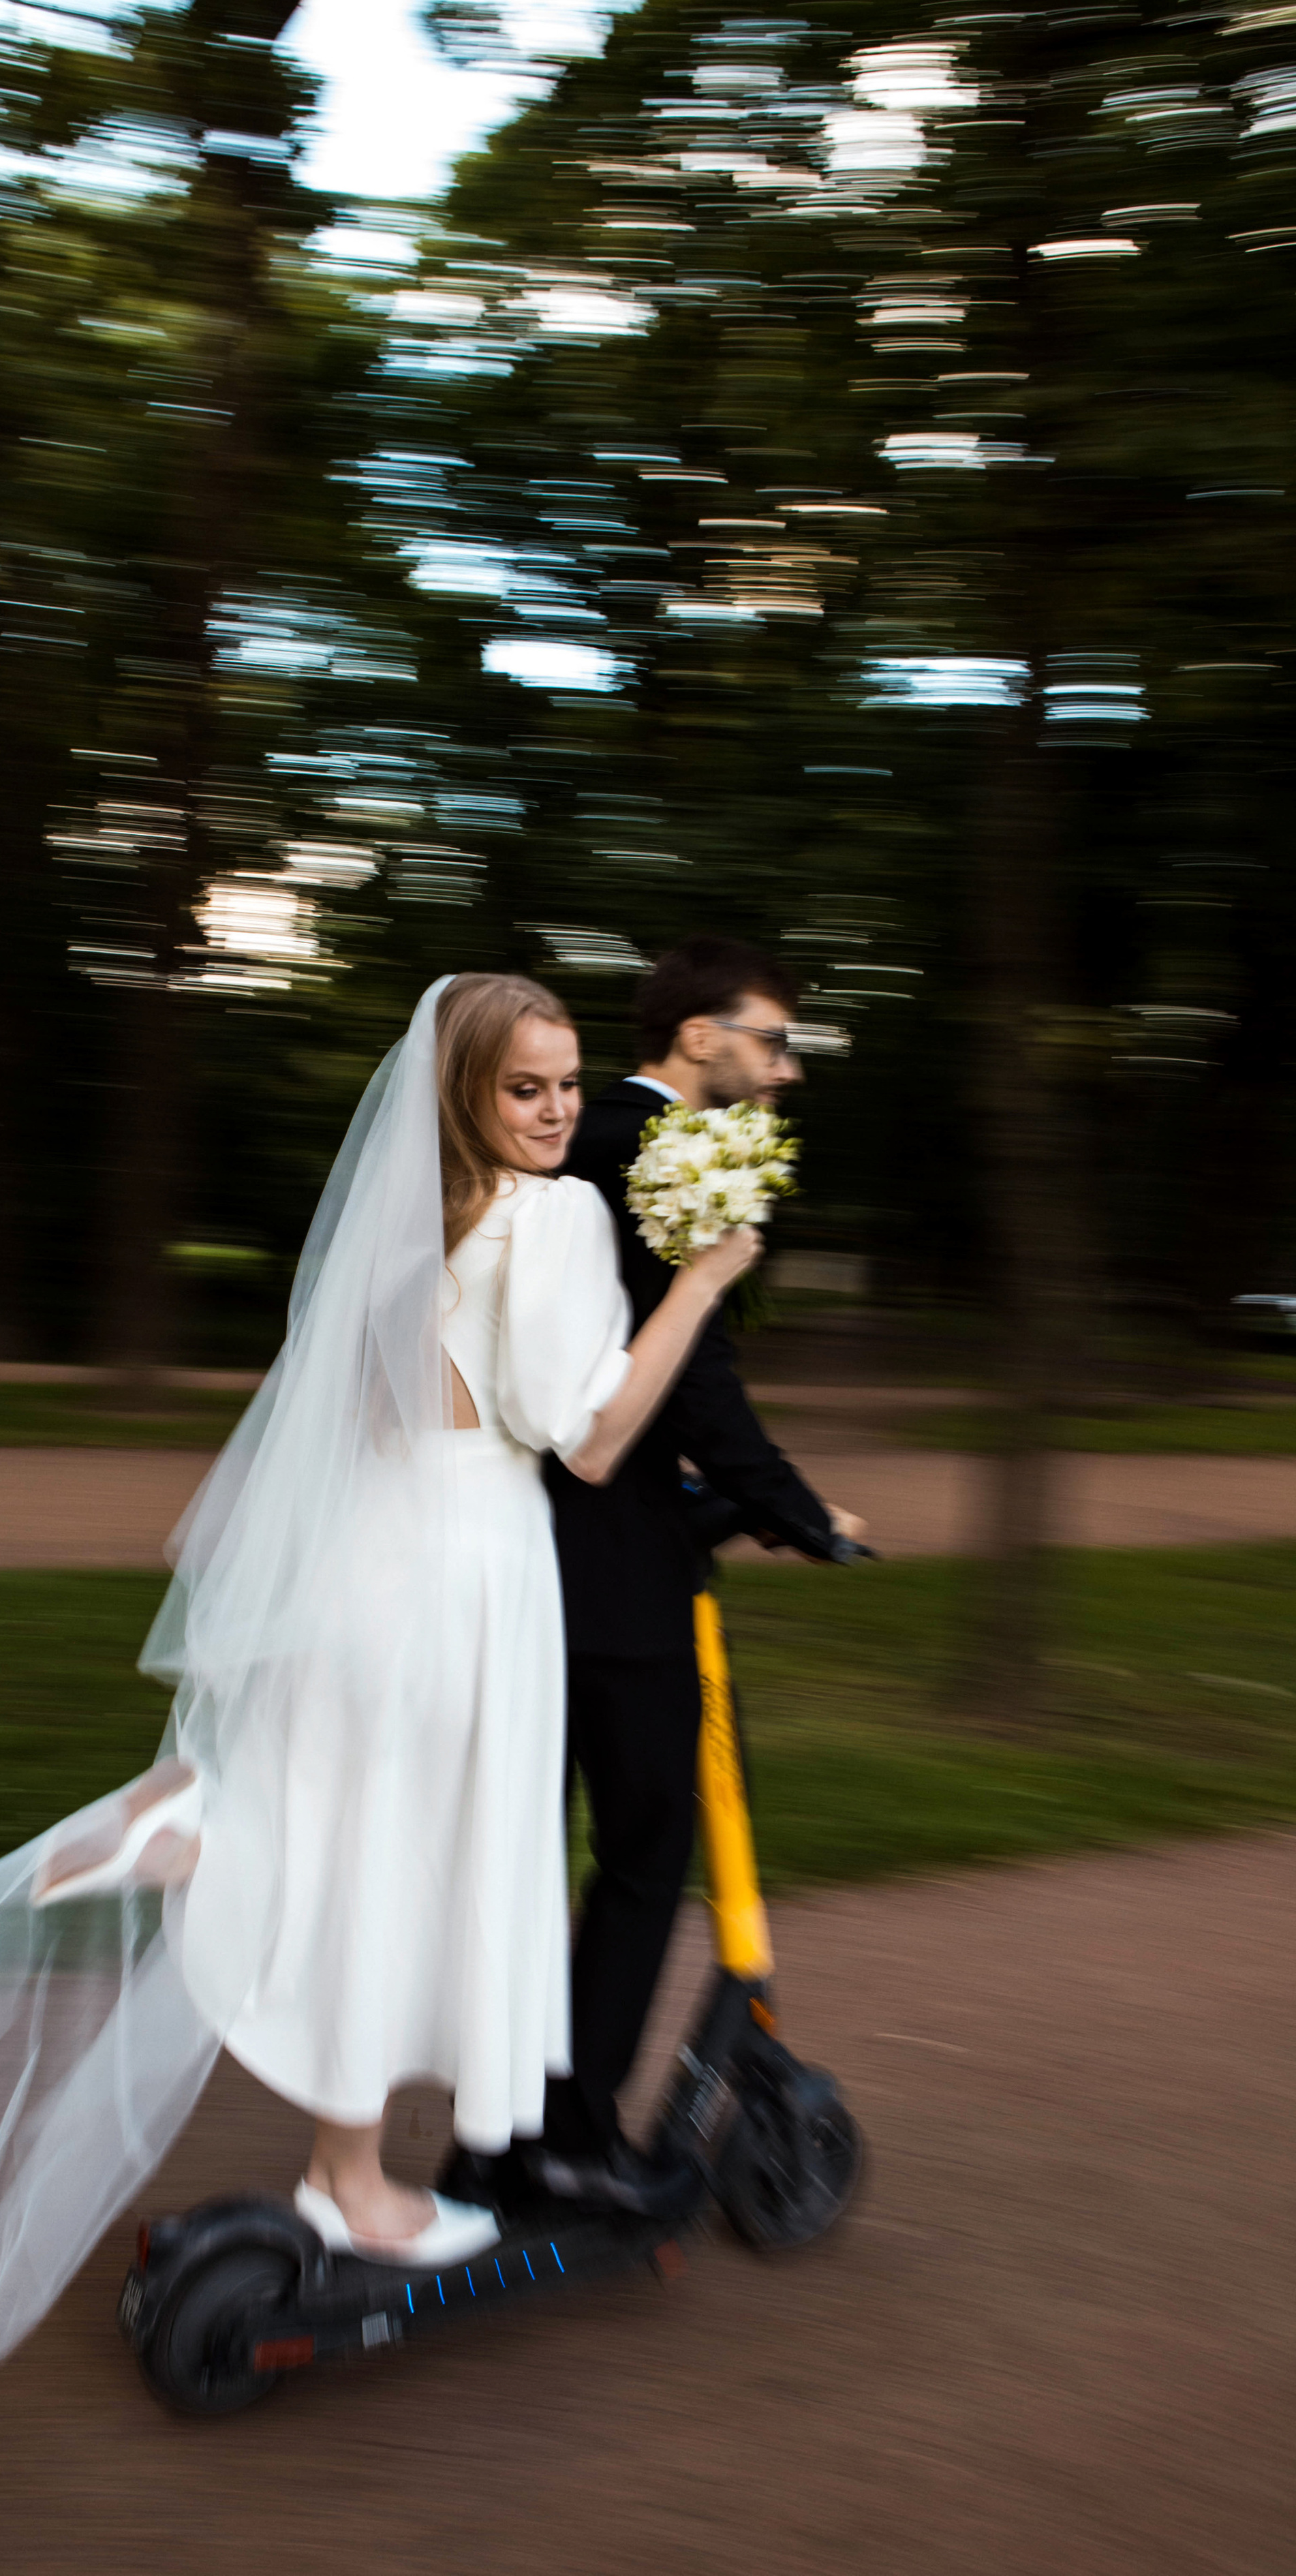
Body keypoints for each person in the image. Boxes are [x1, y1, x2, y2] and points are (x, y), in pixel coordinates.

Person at [0, 972, 760, 2393]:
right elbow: (589, 1441)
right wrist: (704, 1283)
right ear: (466, 1092)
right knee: (408, 1870)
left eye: (563, 1085)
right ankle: (347, 2179)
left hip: (362, 1561)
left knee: (352, 1837)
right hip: (469, 1572)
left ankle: (205, 1824)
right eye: (520, 1088)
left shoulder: (417, 1214)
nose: (551, 1115)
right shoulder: (556, 1218)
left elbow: (363, 1416)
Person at [445, 937, 866, 2222]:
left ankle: (498, 2135)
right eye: (771, 1040)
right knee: (640, 1853)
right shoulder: (650, 1147)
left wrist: (737, 1495)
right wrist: (795, 1514)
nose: (783, 1070)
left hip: (528, 1553)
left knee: (532, 1858)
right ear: (698, 1038)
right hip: (610, 1570)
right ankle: (565, 2137)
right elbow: (685, 1376)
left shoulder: (582, 1141)